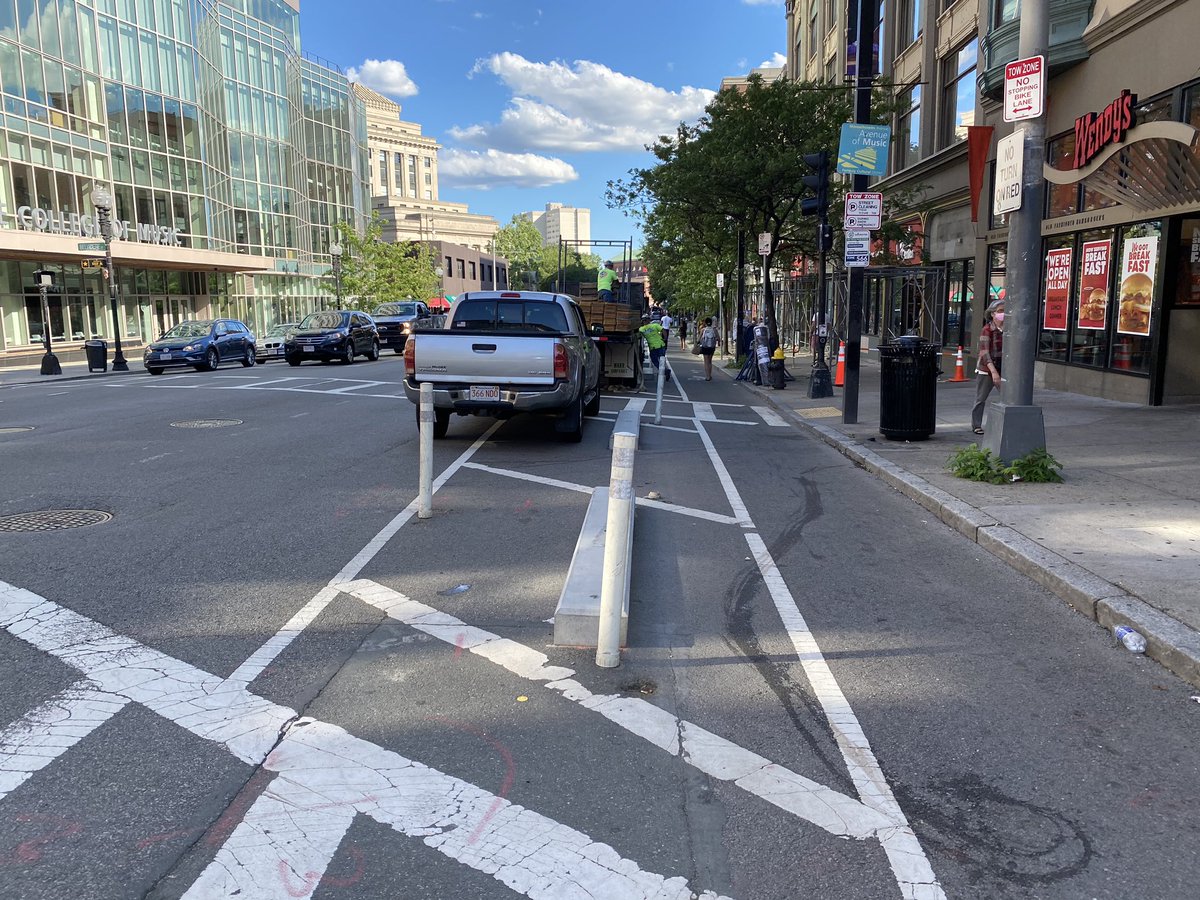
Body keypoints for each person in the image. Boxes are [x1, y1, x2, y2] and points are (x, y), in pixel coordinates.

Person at [971, 299, 1005, 435]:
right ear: (992, 314)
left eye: (1005, 311)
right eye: (1000, 311)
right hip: (987, 369)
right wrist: (994, 372)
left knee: (1009, 397)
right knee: (981, 398)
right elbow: (984, 353)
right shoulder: (987, 330)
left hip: (1004, 367)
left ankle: (1004, 424)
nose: (1003, 314)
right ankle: (976, 425)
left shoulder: (1008, 329)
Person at [638, 314, 670, 382]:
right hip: (661, 345)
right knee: (661, 360)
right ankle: (665, 371)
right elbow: (663, 330)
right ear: (649, 320)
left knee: (655, 361)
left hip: (653, 348)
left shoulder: (641, 329)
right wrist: (665, 338)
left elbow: (639, 335)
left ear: (643, 321)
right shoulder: (655, 325)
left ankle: (665, 371)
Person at [698, 316, 718, 380]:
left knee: (706, 361)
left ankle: (707, 376)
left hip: (705, 346)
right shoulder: (714, 330)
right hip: (712, 347)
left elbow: (698, 339)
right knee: (710, 361)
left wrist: (698, 343)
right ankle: (710, 374)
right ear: (711, 323)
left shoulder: (703, 330)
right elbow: (718, 338)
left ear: (705, 323)